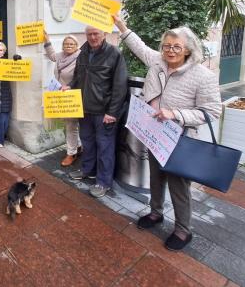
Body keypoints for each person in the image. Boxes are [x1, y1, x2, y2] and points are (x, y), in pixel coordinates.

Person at [113, 14, 221, 251]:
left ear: (188, 50)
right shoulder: (157, 61)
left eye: (176, 47)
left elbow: (212, 111)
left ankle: (183, 230)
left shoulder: (203, 76)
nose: (170, 51)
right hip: (154, 134)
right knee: (156, 176)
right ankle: (155, 213)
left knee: (179, 185)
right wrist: (121, 26)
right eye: (166, 46)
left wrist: (176, 114)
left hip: (180, 138)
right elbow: (138, 45)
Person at [67, 26, 128, 198]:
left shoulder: (114, 54)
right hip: (84, 108)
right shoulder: (83, 52)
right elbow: (77, 77)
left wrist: (113, 112)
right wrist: (69, 86)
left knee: (105, 147)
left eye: (96, 34)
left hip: (104, 111)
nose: (93, 37)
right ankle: (88, 170)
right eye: (89, 34)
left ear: (104, 34)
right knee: (87, 142)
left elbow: (120, 86)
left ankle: (103, 182)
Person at [43, 31, 82, 166]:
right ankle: (77, 146)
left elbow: (81, 76)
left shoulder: (81, 57)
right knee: (69, 124)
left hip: (74, 95)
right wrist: (47, 41)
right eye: (66, 43)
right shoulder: (60, 56)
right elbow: (52, 55)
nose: (68, 46)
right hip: (60, 95)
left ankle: (71, 153)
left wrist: (70, 86)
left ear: (77, 46)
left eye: (71, 44)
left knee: (71, 125)